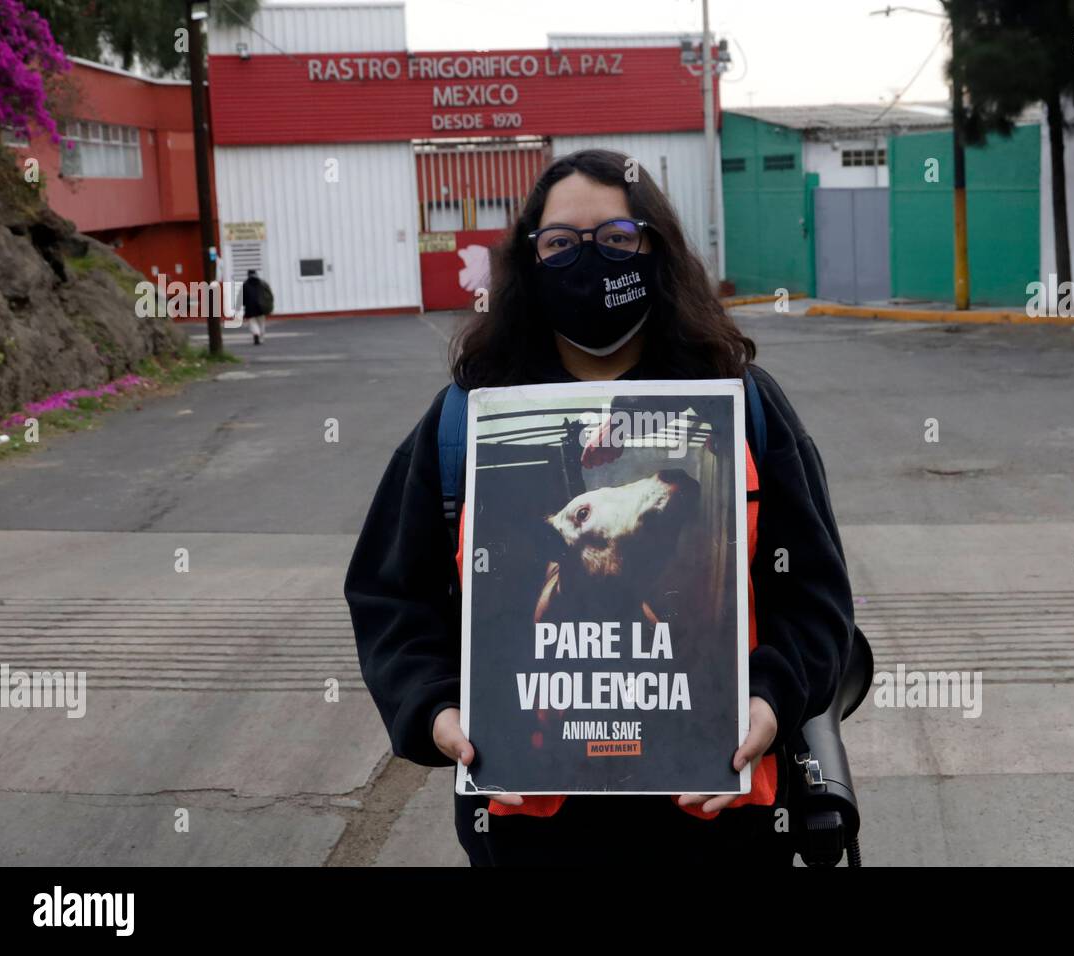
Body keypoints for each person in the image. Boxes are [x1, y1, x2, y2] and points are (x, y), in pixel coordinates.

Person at [344, 149, 858, 867]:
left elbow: (816, 597)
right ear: (529, 260)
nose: (588, 261)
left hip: (720, 824)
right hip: (532, 830)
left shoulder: (742, 406)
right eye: (560, 244)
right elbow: (391, 594)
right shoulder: (467, 419)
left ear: (656, 248)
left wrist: (773, 699)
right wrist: (434, 708)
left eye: (615, 239)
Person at [241, 269, 268, 345]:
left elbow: (243, 297)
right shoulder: (261, 283)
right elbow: (266, 295)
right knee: (261, 323)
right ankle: (261, 338)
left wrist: (243, 305)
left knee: (253, 322)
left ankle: (256, 333)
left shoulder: (245, 284)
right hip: (261, 306)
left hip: (250, 308)